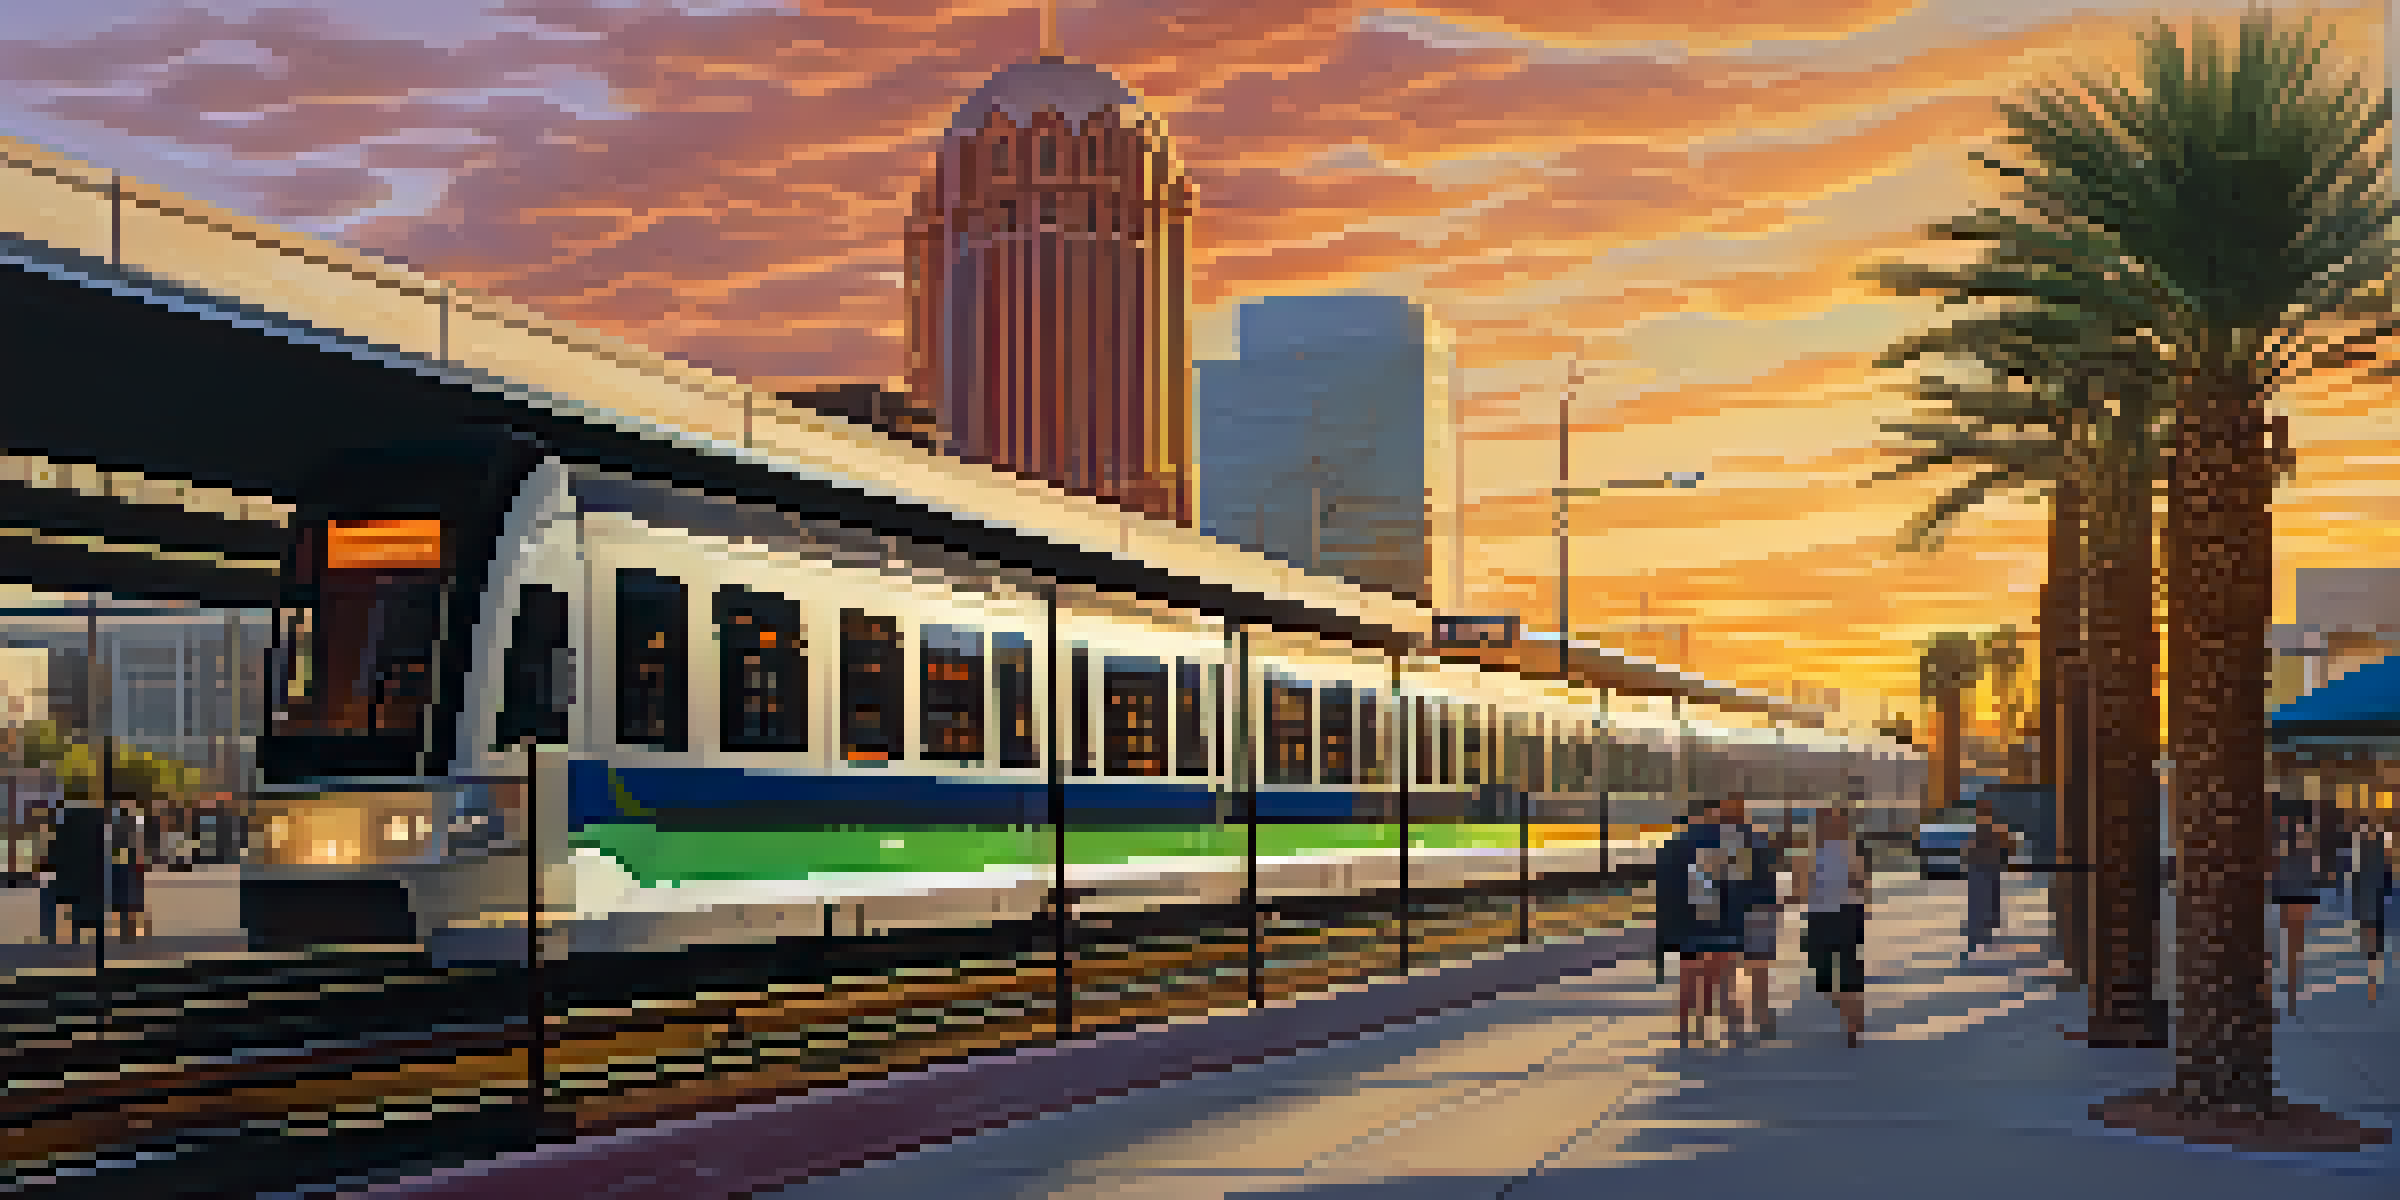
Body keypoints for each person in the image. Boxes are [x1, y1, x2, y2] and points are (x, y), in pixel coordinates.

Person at [1655, 798, 1745, 1046]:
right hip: (1722, 925)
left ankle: (1688, 1031)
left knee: (1689, 980)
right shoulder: (1727, 846)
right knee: (1724, 981)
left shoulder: (1672, 846)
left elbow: (1663, 891)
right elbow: (1738, 889)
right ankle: (1733, 1031)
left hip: (1687, 927)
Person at [1789, 804, 1872, 1047]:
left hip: (1828, 916)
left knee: (1828, 973)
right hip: (1840, 915)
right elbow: (1862, 884)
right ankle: (1851, 1014)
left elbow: (1800, 891)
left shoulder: (1815, 853)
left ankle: (1851, 1020)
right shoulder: (1836, 851)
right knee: (1841, 970)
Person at [1725, 793, 1784, 1041]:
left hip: (1733, 911)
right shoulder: (1760, 838)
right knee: (1759, 970)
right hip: (1761, 909)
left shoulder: (1725, 841)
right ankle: (1763, 1020)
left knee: (1730, 970)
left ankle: (1736, 1023)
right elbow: (1770, 875)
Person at [2272, 815, 2319, 1015]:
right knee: (2294, 946)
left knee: (2293, 947)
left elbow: (2279, 877)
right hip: (2295, 902)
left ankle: (2292, 984)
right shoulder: (2306, 856)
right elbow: (2313, 879)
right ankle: (2292, 984)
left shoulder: (2288, 854)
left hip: (2294, 901)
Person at [1962, 813, 2014, 960]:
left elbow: (2005, 851)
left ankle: (1982, 938)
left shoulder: (1994, 834)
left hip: (1987, 871)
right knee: (1980, 907)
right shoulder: (1984, 835)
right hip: (1982, 872)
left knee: (1986, 905)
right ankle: (1978, 940)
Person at [2352, 817, 2392, 1005]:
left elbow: (2358, 879)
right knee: (2372, 938)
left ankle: (2372, 981)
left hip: (2370, 899)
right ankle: (2372, 980)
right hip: (2373, 899)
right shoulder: (2375, 848)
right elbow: (2386, 875)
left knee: (2371, 939)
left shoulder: (2364, 850)